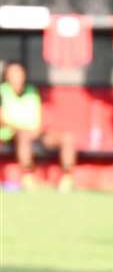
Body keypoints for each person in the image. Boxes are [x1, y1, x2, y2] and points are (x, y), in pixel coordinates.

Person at [0, 60, 76, 191]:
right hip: (11, 135)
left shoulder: (32, 91)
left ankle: (67, 178)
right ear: (7, 75)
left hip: (36, 133)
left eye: (19, 73)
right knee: (23, 135)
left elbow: (40, 117)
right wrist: (20, 128)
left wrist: (38, 129)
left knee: (67, 138)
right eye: (13, 73)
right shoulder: (2, 92)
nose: (17, 76)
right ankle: (28, 176)